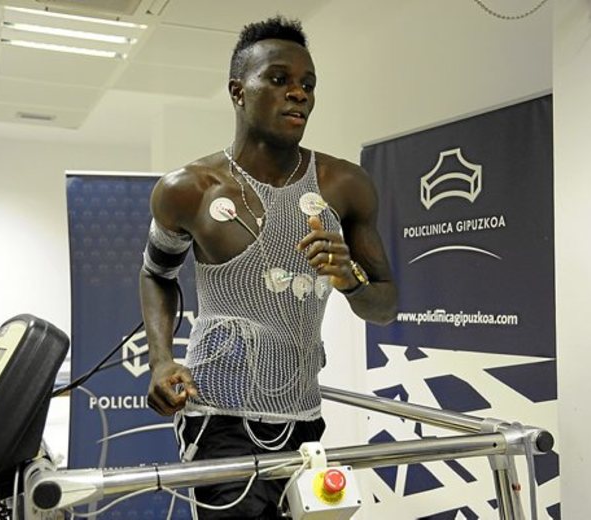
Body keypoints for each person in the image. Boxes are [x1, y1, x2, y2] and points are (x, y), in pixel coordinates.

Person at [139, 15, 397, 519]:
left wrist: (351, 280)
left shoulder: (346, 186)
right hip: (218, 415)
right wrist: (160, 359)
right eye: (279, 79)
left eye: (308, 84)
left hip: (304, 419)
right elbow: (156, 273)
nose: (298, 93)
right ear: (238, 91)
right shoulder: (188, 189)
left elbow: (384, 307)